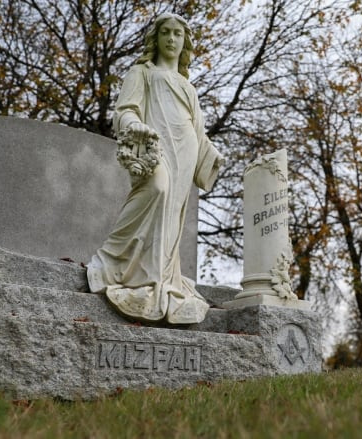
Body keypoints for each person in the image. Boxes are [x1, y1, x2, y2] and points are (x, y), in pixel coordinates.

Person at [87, 13, 223, 324]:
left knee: (172, 214)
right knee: (156, 188)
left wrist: (211, 156)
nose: (172, 39)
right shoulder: (142, 72)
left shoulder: (188, 86)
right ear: (156, 38)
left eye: (178, 34)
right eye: (167, 33)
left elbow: (199, 131)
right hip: (154, 144)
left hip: (186, 149)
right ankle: (112, 258)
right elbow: (125, 110)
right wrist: (134, 125)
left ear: (184, 42)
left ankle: (159, 276)